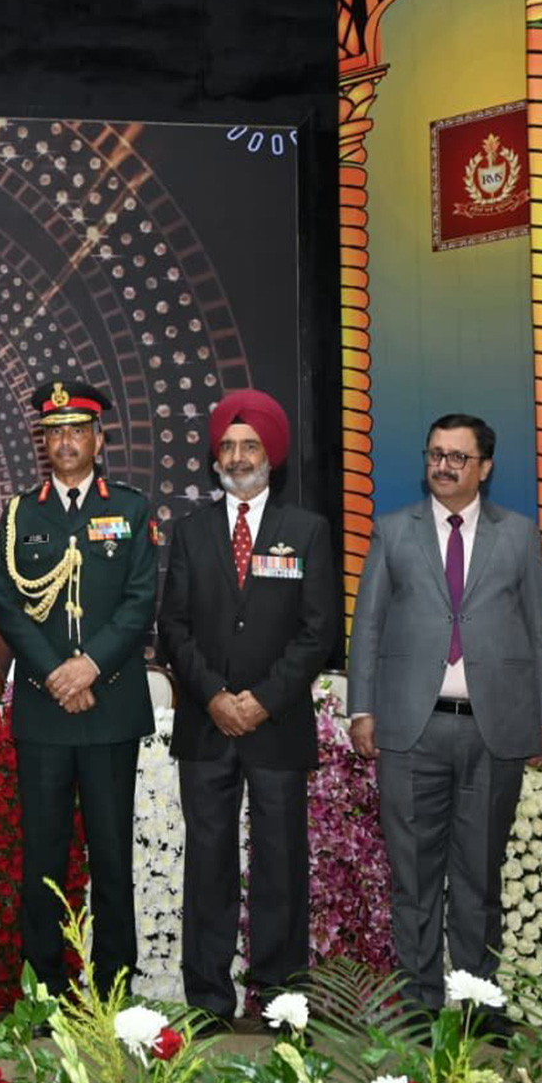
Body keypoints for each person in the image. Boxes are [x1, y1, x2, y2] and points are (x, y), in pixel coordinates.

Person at [347, 413, 542, 1027]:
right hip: (411, 732)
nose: (443, 465)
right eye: (435, 454)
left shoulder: (519, 536)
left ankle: (475, 1007)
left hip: (495, 731)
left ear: (484, 468)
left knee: (478, 878)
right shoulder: (393, 532)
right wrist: (363, 709)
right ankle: (418, 1007)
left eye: (458, 457)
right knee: (413, 879)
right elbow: (369, 628)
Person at [157, 389, 338, 1029]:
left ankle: (281, 1000)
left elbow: (319, 632)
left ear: (272, 455)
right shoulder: (190, 532)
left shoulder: (307, 531)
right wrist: (214, 696)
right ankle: (208, 1000)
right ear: (215, 457)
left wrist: (260, 700)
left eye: (249, 445)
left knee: (280, 865)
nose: (237, 456)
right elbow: (172, 628)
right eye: (227, 446)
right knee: (207, 863)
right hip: (207, 726)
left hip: (278, 725)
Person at [0, 378, 157, 999]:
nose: (65, 442)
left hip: (110, 708)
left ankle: (115, 991)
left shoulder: (132, 509)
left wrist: (90, 668)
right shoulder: (19, 513)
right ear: (44, 443)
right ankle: (44, 989)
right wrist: (57, 675)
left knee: (112, 858)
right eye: (54, 432)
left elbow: (141, 602)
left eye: (76, 431)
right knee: (44, 860)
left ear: (99, 439)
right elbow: (8, 606)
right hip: (44, 709)